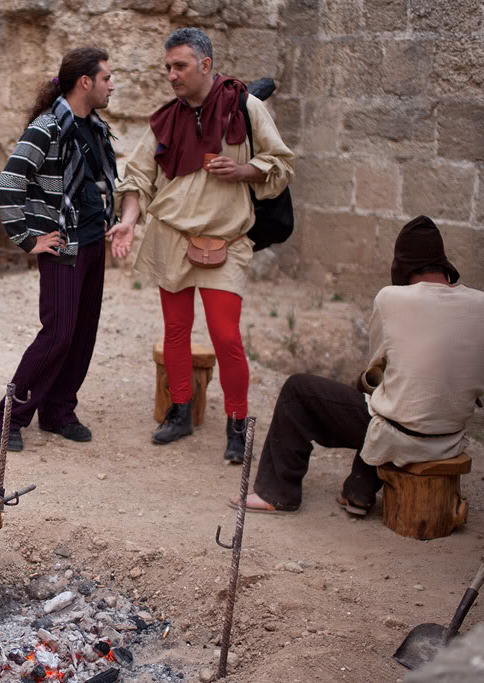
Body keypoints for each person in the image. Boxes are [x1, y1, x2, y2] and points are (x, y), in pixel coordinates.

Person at [109, 28, 294, 461]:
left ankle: (236, 422)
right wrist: (129, 222)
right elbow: (137, 177)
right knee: (175, 331)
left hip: (226, 239)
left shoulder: (245, 107)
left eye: (180, 66)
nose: (171, 75)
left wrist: (244, 170)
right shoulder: (165, 119)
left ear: (205, 65)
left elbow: (281, 162)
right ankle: (179, 412)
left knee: (226, 336)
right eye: (168, 67)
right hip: (171, 237)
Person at [233, 216, 484, 514]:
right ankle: (358, 489)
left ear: (403, 265)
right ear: (443, 266)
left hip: (404, 434)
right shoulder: (482, 302)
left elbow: (377, 368)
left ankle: (276, 493)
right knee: (397, 401)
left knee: (301, 390)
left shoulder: (391, 298)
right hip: (450, 436)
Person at [0, 47, 117, 452]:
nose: (112, 85)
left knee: (81, 334)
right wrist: (29, 239)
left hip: (93, 242)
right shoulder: (48, 127)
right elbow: (9, 184)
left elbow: (97, 182)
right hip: (62, 246)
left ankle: (59, 411)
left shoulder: (93, 126)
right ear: (86, 82)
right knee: (57, 333)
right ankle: (8, 416)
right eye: (107, 78)